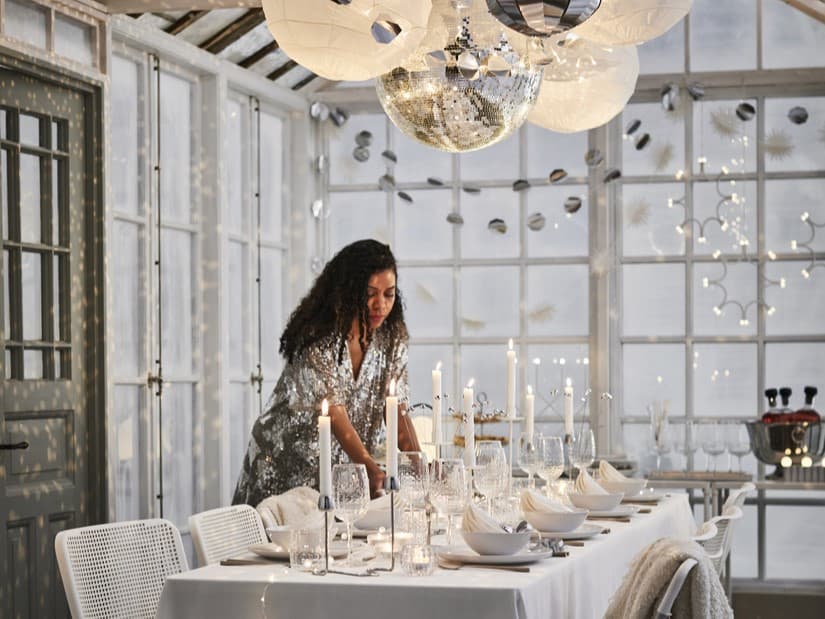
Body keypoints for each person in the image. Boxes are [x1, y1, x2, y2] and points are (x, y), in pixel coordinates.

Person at [233, 239, 420, 506]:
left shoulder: (392, 337)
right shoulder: (318, 338)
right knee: (285, 544)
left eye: (389, 294)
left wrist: (420, 465)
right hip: (286, 465)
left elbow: (396, 407)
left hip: (342, 471)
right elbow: (334, 414)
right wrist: (368, 466)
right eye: (370, 293)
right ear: (349, 292)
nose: (381, 304)